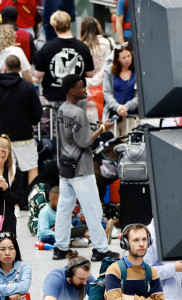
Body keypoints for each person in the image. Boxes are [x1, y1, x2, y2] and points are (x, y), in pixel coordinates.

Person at [53, 74, 118, 262]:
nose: (85, 90)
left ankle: (60, 247)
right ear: (72, 90)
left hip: (65, 166)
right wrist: (103, 128)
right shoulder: (78, 114)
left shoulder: (61, 110)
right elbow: (85, 141)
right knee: (92, 208)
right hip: (81, 168)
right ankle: (100, 249)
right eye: (82, 87)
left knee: (65, 208)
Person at [0, 54, 42, 202]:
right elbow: (37, 114)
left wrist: (1, 122)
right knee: (32, 167)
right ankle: (32, 201)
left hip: (3, 136)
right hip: (25, 136)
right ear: (20, 69)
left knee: (5, 169)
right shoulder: (28, 87)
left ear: (4, 69)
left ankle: (11, 204)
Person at [34, 11, 95, 104]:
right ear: (69, 25)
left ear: (55, 28)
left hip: (54, 96)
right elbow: (90, 73)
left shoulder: (47, 48)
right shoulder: (83, 47)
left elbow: (38, 74)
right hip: (77, 97)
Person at [80, 17, 114, 122]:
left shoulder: (80, 46)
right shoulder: (109, 42)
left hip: (85, 86)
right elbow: (110, 64)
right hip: (104, 86)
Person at [103, 42, 138, 137]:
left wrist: (126, 107)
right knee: (111, 147)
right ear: (117, 59)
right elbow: (106, 92)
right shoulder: (109, 71)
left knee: (128, 146)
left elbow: (139, 96)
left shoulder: (137, 71)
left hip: (131, 116)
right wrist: (117, 107)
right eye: (123, 58)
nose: (127, 60)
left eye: (129, 56)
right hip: (113, 116)